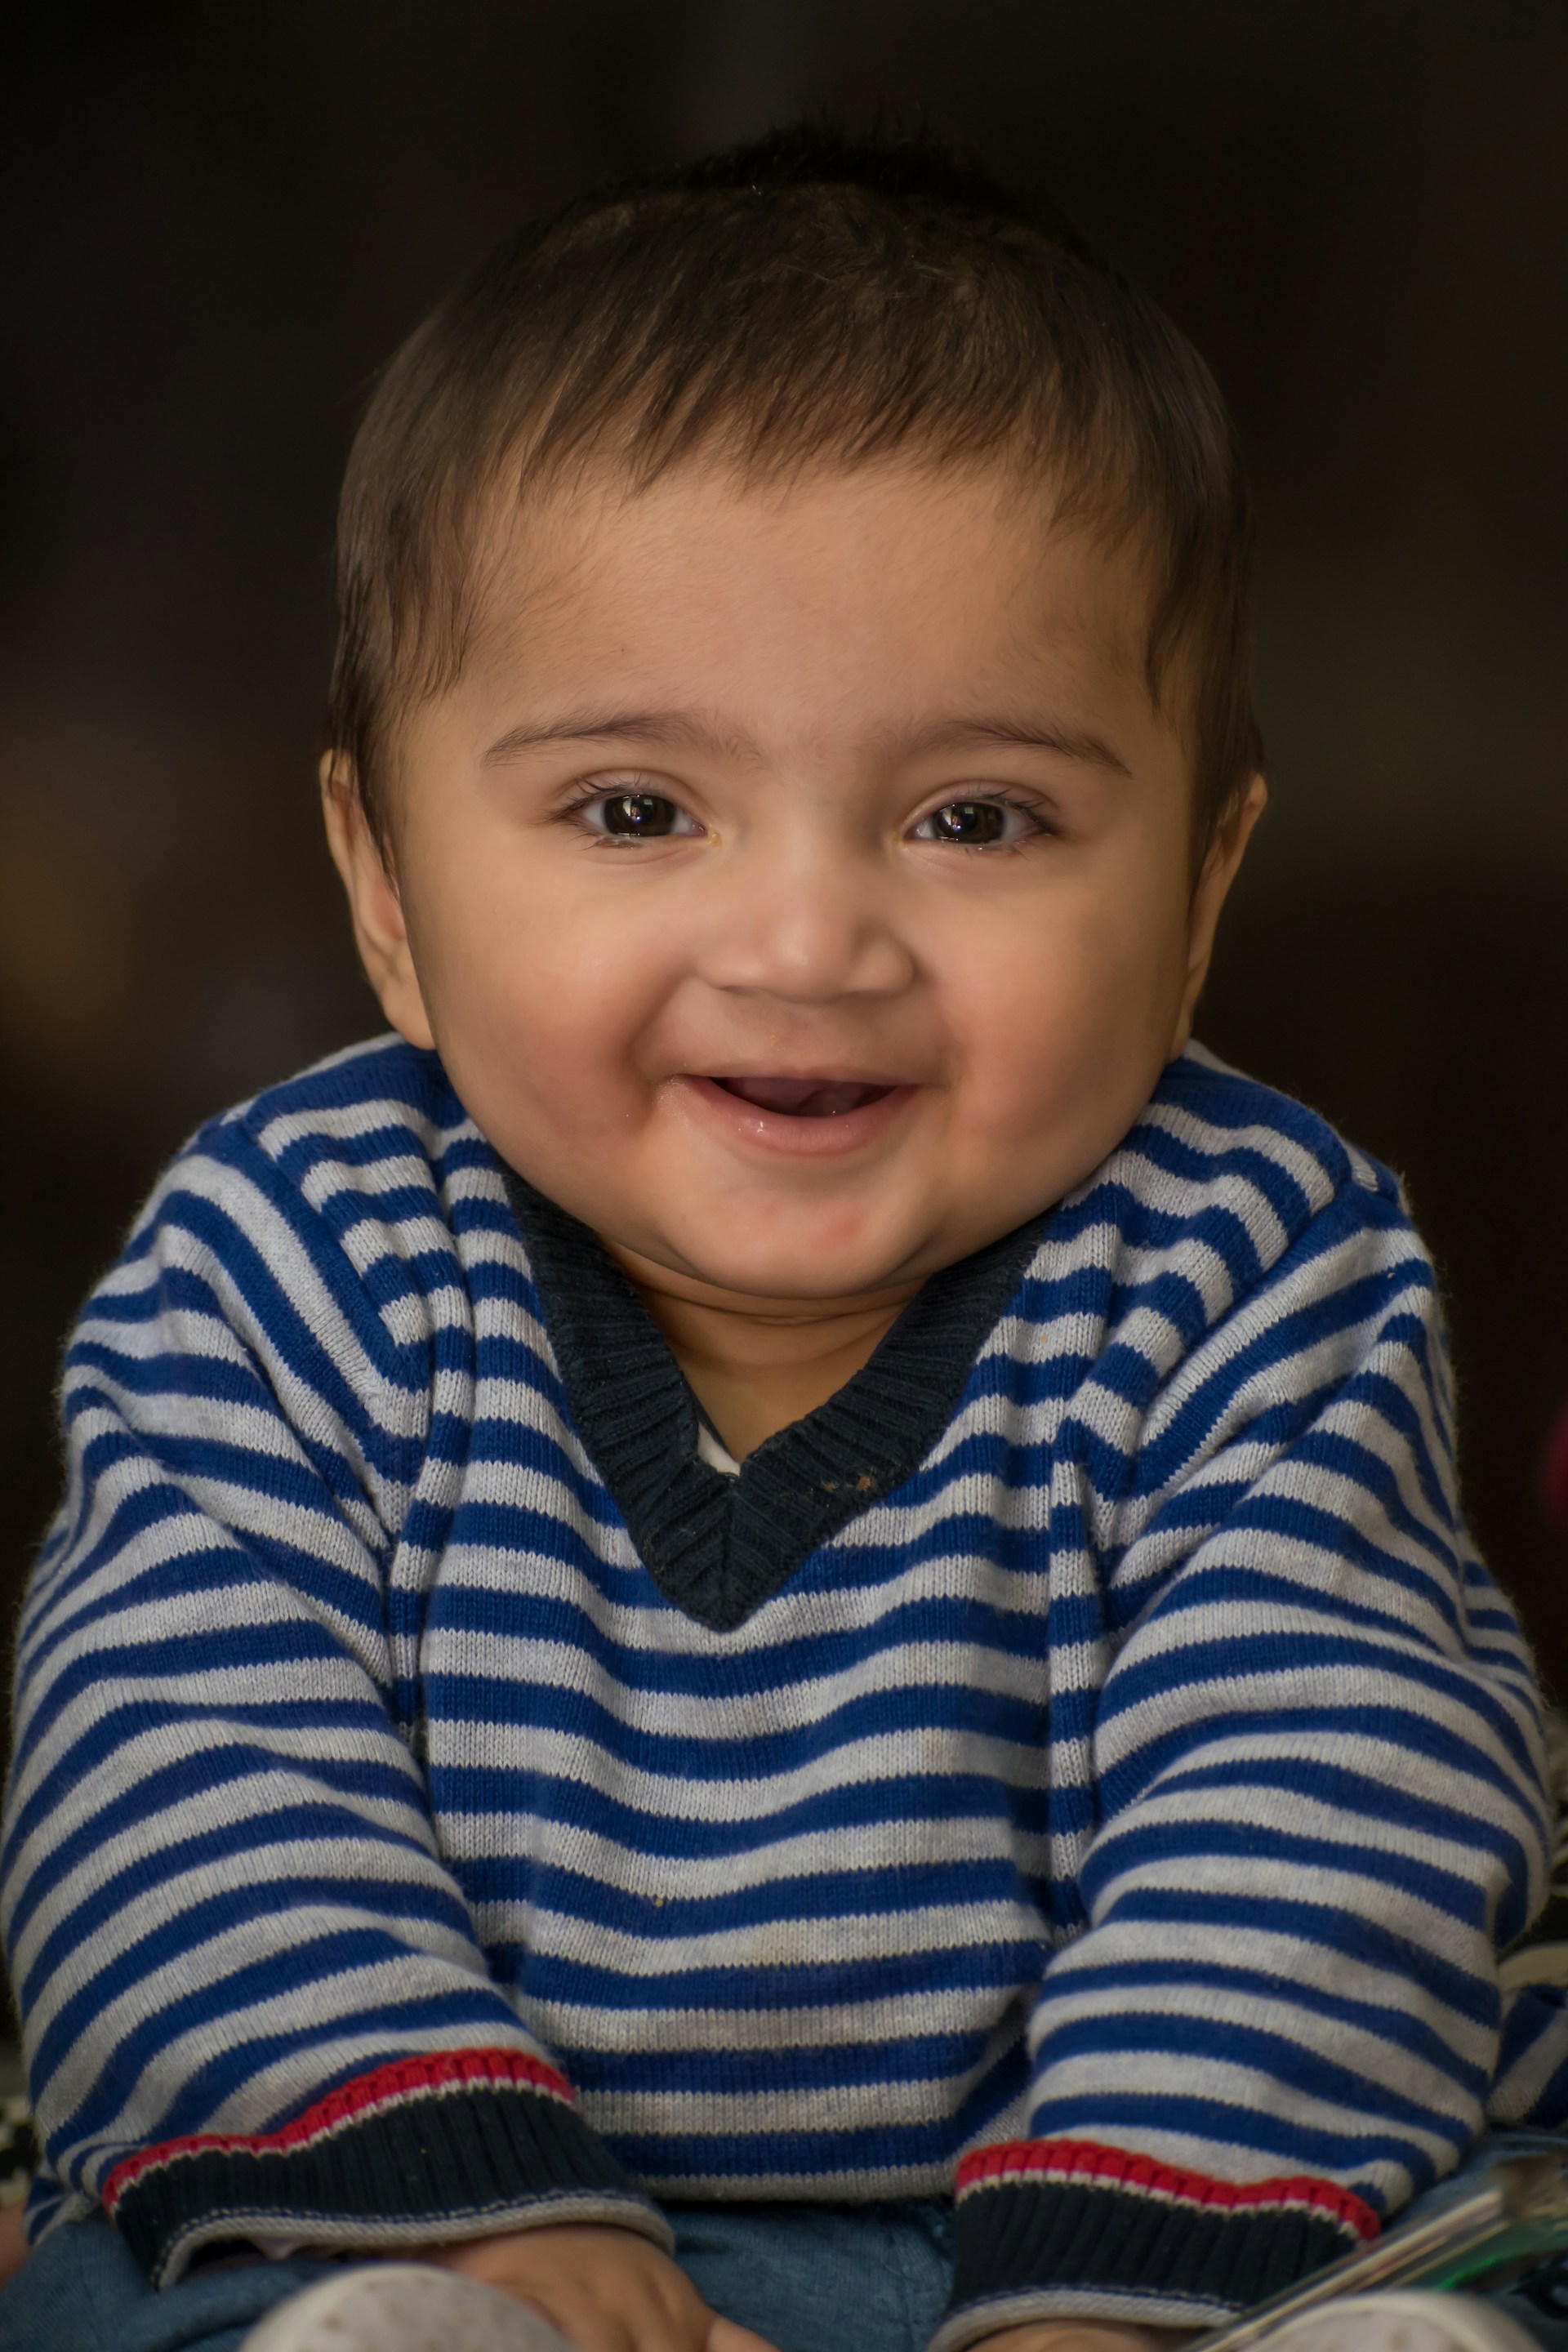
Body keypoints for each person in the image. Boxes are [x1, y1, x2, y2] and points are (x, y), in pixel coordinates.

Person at [3, 122, 1566, 2352]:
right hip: (422, 2199)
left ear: (1205, 880)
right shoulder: (289, 1261)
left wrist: (1102, 2299)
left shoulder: (1249, 1268)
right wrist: (453, 2198)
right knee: (148, 2284)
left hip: (1122, 2238)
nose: (812, 937)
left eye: (976, 817)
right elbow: (178, 1767)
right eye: (639, 810)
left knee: (1452, 2287)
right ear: (383, 887)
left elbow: (1322, 1802)